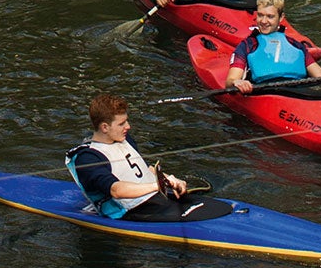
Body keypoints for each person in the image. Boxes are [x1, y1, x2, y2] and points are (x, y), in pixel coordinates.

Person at [66, 93, 232, 224]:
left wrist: (169, 179)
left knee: (219, 207)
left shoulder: (124, 139)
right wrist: (157, 185)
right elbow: (116, 190)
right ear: (104, 127)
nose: (128, 126)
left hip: (154, 199)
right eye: (122, 123)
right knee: (207, 214)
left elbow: (144, 169)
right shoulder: (88, 158)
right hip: (131, 211)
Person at [224, 0, 321, 100]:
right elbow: (231, 80)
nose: (263, 21)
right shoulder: (247, 46)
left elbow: (320, 74)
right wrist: (237, 82)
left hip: (299, 92)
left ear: (281, 18)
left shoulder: (296, 45)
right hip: (267, 93)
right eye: (260, 15)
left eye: (270, 16)